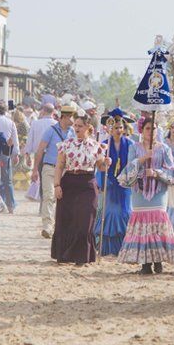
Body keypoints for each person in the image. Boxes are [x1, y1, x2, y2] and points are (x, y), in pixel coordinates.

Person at [117, 117, 174, 275]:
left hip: (158, 192)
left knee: (157, 224)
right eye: (147, 128)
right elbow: (128, 170)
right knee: (142, 225)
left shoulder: (164, 149)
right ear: (142, 130)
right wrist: (143, 158)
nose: (151, 132)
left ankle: (158, 261)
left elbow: (172, 171)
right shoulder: (135, 147)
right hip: (140, 193)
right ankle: (145, 263)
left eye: (153, 128)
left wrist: (157, 173)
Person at [51, 113, 111, 266]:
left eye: (80, 125)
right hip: (69, 182)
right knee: (67, 219)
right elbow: (59, 166)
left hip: (87, 183)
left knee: (85, 220)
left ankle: (82, 255)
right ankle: (64, 255)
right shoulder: (66, 144)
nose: (76, 128)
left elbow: (101, 167)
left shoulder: (96, 146)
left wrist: (107, 162)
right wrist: (57, 185)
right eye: (75, 125)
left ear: (88, 127)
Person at [32, 103, 76, 238]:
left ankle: (59, 226)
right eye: (70, 118)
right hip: (49, 168)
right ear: (64, 117)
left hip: (65, 170)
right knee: (49, 196)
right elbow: (40, 150)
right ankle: (47, 226)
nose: (72, 121)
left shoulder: (72, 132)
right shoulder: (51, 131)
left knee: (62, 198)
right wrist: (34, 169)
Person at [95, 112, 134, 255]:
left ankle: (125, 247)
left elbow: (133, 164)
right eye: (115, 127)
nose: (118, 130)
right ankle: (108, 248)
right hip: (110, 183)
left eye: (120, 127)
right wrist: (103, 165)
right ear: (109, 129)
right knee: (109, 212)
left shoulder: (130, 144)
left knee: (125, 212)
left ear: (124, 128)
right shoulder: (104, 144)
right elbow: (98, 165)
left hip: (125, 184)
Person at [23, 103, 58, 201]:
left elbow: (30, 140)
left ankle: (43, 203)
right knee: (54, 179)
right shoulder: (56, 124)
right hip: (54, 155)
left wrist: (28, 155)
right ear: (53, 112)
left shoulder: (35, 123)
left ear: (43, 111)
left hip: (39, 155)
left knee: (43, 180)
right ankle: (49, 203)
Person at [0, 102, 20, 213]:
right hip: (5, 153)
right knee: (7, 180)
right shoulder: (10, 122)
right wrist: (15, 154)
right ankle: (11, 205)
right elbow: (14, 139)